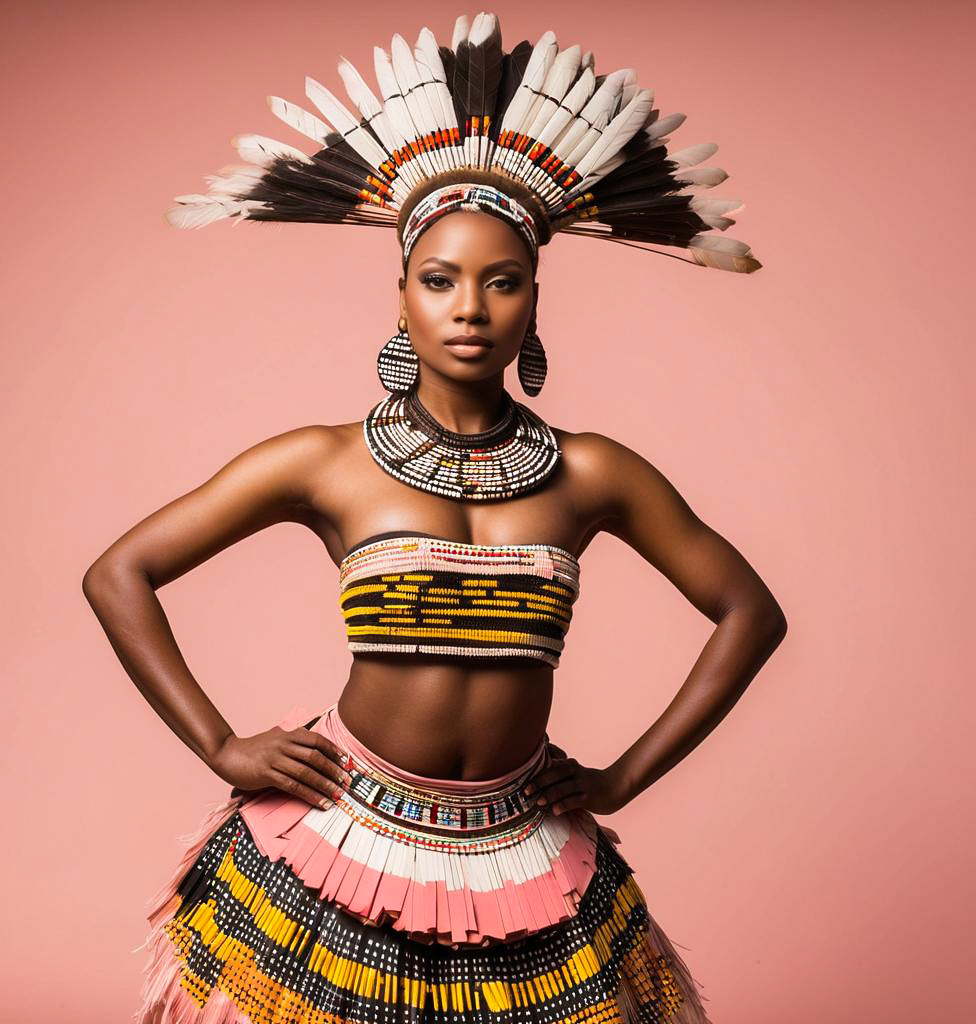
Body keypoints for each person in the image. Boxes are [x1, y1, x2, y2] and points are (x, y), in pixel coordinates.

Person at [83, 13, 785, 1023]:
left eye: (500, 283)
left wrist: (625, 775)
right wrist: (221, 744)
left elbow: (748, 612)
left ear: (532, 303)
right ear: (402, 295)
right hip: (341, 835)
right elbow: (119, 572)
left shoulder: (593, 473)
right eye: (440, 279)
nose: (469, 308)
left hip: (526, 849)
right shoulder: (323, 461)